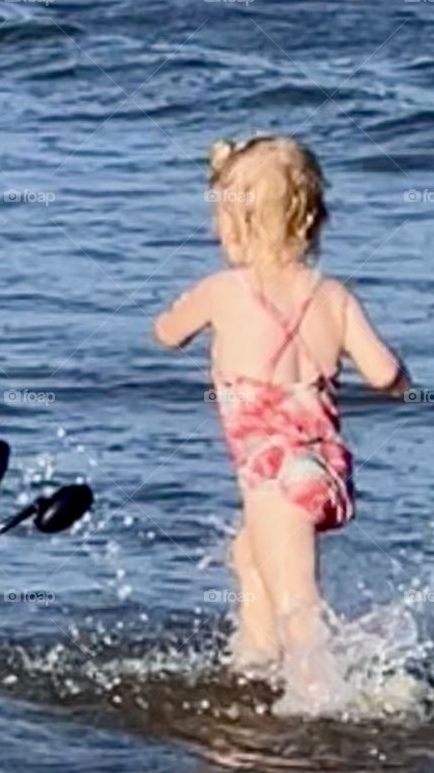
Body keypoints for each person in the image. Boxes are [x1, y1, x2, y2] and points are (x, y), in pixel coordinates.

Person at [154, 135, 410, 705]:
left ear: (232, 225)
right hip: (323, 468)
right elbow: (384, 373)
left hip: (274, 478)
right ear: (314, 221)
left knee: (296, 598)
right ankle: (254, 663)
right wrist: (403, 387)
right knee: (250, 558)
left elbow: (166, 333)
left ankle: (319, 703)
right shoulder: (334, 296)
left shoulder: (223, 291)